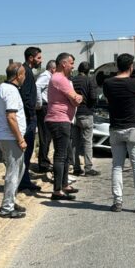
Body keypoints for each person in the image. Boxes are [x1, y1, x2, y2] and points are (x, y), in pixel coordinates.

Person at [102, 53, 135, 213]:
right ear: (131, 67)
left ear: (117, 66)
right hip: (133, 128)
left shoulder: (108, 83)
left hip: (116, 128)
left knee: (117, 166)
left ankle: (117, 202)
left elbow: (108, 100)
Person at [45, 54, 84, 200]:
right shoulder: (60, 79)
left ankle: (64, 184)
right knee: (60, 155)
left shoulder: (60, 79)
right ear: (63, 63)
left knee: (66, 154)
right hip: (59, 120)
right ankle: (57, 190)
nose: (73, 66)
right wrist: (78, 98)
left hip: (62, 120)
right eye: (71, 63)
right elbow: (76, 99)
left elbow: (74, 99)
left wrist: (76, 99)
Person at [0, 63, 28, 219]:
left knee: (20, 168)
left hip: (4, 136)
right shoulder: (12, 91)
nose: (25, 77)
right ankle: (7, 208)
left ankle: (11, 201)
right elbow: (11, 117)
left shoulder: (0, 88)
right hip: (11, 137)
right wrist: (20, 139)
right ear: (18, 76)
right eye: (24, 74)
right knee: (13, 173)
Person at [18, 46, 42, 191]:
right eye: (39, 57)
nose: (41, 60)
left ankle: (24, 179)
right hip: (28, 118)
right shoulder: (26, 71)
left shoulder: (27, 71)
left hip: (29, 116)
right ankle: (23, 181)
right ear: (31, 58)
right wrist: (31, 114)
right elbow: (25, 96)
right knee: (27, 150)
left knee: (28, 150)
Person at [71, 61, 99, 177]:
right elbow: (93, 97)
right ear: (88, 71)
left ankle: (76, 168)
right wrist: (91, 107)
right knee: (87, 142)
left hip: (73, 114)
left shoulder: (72, 80)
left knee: (74, 143)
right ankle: (88, 168)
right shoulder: (89, 80)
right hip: (86, 113)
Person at [34, 59, 56, 173]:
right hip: (44, 107)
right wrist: (39, 103)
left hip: (46, 107)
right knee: (45, 135)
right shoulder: (46, 76)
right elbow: (37, 86)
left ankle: (44, 161)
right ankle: (43, 163)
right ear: (53, 68)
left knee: (47, 136)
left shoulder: (48, 76)